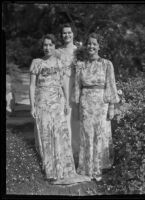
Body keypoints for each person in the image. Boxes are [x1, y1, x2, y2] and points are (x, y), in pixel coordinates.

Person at [29, 34, 90, 184]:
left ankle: (65, 170)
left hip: (58, 102)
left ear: (54, 46)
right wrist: (32, 106)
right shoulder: (37, 62)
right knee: (46, 135)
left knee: (60, 135)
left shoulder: (59, 62)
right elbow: (31, 86)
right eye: (45, 45)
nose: (47, 47)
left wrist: (66, 103)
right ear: (42, 47)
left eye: (50, 45)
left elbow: (63, 83)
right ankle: (51, 172)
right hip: (42, 103)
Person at [73, 33, 120, 181]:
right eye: (89, 44)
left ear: (99, 46)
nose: (91, 46)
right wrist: (76, 106)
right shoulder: (81, 65)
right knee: (87, 135)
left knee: (100, 135)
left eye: (94, 44)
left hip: (101, 104)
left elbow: (111, 85)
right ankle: (86, 168)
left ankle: (98, 168)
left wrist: (112, 107)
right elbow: (77, 87)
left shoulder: (107, 64)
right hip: (86, 104)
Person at [56, 23, 80, 161]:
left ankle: (77, 151)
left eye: (69, 32)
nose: (67, 35)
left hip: (75, 86)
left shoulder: (79, 51)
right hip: (62, 86)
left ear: (73, 34)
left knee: (75, 120)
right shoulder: (58, 52)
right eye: (64, 33)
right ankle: (65, 152)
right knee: (64, 118)